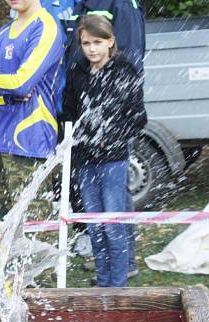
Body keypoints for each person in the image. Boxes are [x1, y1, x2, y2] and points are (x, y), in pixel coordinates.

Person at [60, 15, 147, 287]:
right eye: (86, 43)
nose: (92, 49)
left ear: (110, 41)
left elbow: (138, 117)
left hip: (113, 160)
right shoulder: (77, 72)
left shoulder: (125, 70)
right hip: (84, 159)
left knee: (112, 224)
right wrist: (67, 142)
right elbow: (70, 112)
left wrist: (113, 139)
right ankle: (102, 281)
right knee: (94, 225)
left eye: (98, 42)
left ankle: (118, 283)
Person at [0, 0, 64, 221]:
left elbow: (21, 83)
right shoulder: (3, 32)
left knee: (32, 230)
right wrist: (6, 96)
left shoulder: (46, 26)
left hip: (30, 142)